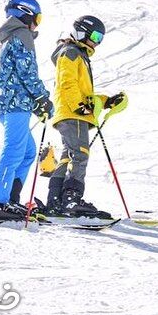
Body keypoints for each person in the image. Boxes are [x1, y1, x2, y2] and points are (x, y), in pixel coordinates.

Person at [0, 0, 53, 223]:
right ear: (25, 14)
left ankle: (9, 197)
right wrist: (42, 98)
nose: (36, 24)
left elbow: (11, 75)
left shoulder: (6, 38)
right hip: (16, 102)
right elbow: (27, 72)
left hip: (6, 101)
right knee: (14, 151)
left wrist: (36, 104)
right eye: (37, 18)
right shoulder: (21, 34)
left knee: (28, 152)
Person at [45, 15, 127, 216]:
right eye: (96, 36)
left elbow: (82, 91)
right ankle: (71, 200)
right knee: (80, 154)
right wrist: (79, 107)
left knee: (68, 155)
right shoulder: (71, 52)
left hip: (69, 111)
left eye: (101, 39)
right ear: (82, 32)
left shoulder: (77, 54)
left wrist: (107, 101)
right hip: (73, 113)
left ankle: (55, 200)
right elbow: (67, 83)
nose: (97, 42)